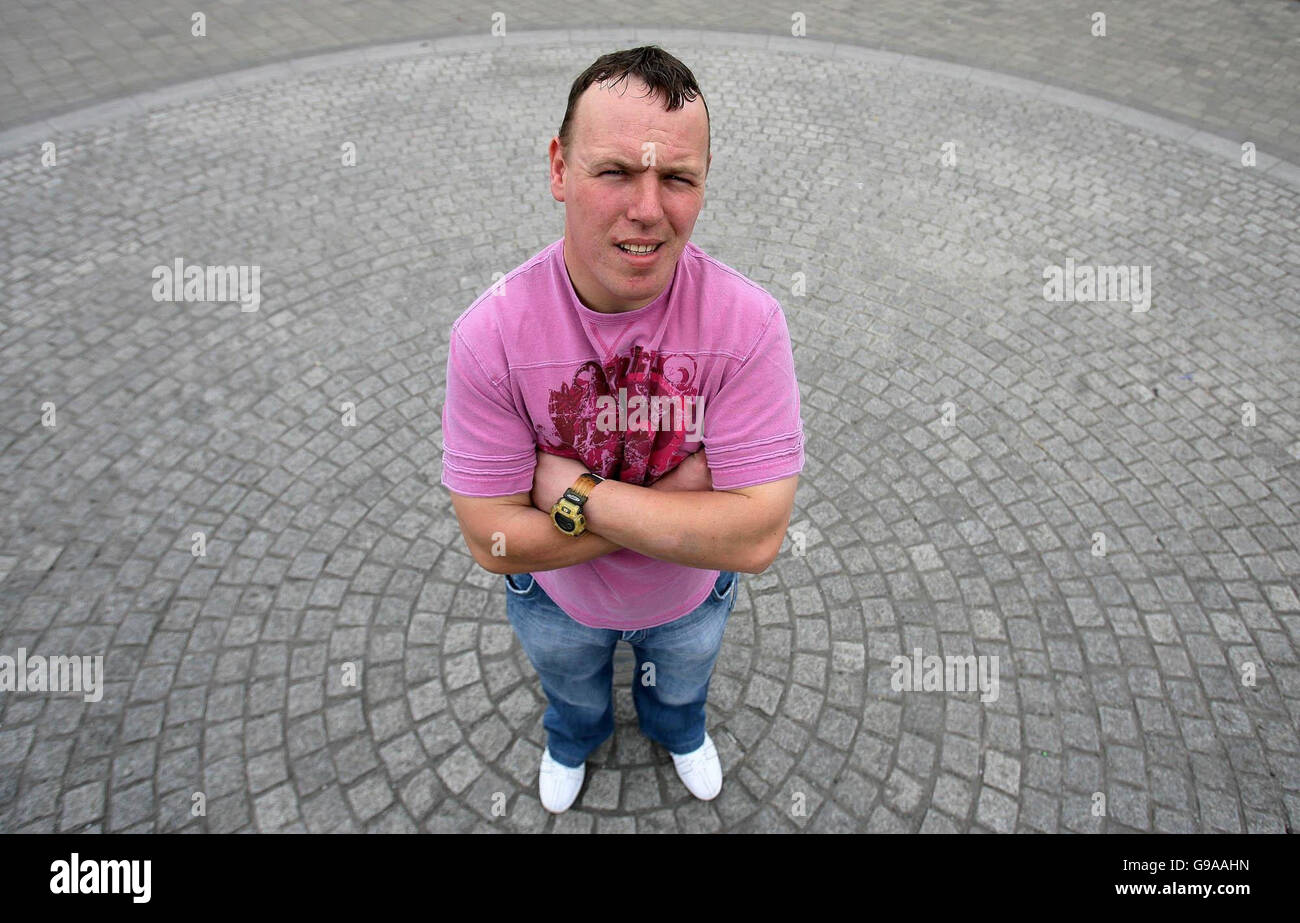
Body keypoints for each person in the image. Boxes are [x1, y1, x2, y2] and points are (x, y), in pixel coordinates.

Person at [440, 45, 804, 814]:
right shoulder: (490, 334)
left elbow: (757, 538)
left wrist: (569, 488)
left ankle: (678, 728)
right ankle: (573, 736)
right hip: (553, 600)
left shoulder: (749, 323)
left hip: (692, 601)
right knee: (571, 688)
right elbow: (490, 540)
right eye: (614, 172)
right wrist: (689, 499)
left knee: (682, 685)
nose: (648, 209)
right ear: (559, 168)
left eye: (677, 178)